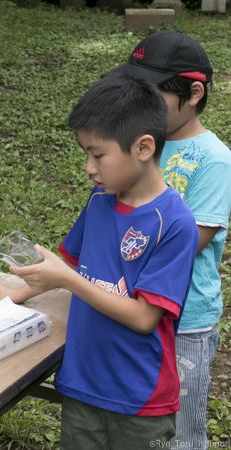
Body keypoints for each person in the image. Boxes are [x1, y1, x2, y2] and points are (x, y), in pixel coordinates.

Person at [0, 74, 199, 449]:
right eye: (85, 154)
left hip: (139, 400)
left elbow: (145, 318)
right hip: (83, 386)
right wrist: (18, 292)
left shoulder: (175, 224)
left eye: (97, 154)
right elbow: (66, 262)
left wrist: (68, 279)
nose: (88, 167)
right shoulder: (100, 203)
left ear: (143, 148)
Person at [109, 30, 231, 450]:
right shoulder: (141, 145)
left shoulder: (213, 159)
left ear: (194, 92)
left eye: (152, 95)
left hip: (185, 324)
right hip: (131, 308)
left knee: (177, 435)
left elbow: (186, 244)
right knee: (136, 426)